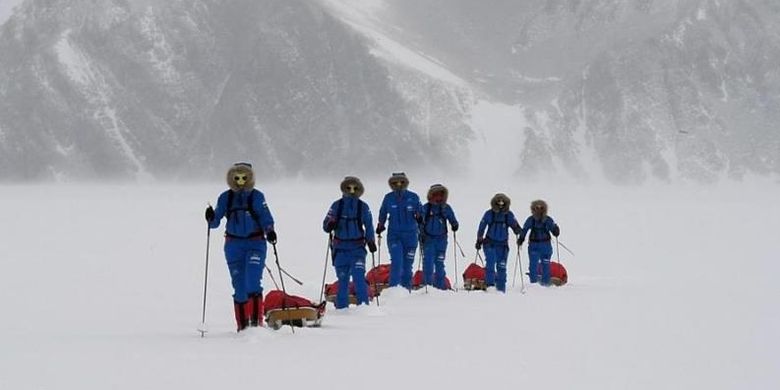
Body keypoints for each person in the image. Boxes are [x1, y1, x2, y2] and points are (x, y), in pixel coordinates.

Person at [205, 162, 277, 332]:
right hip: (233, 246)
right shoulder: (225, 198)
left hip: (255, 244)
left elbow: (266, 218)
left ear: (250, 178)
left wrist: (270, 232)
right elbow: (215, 223)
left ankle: (256, 324)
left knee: (252, 281)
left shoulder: (257, 197)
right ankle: (243, 327)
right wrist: (210, 217)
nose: (240, 181)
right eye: (236, 178)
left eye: (244, 178)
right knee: (239, 286)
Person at [323, 176, 377, 309]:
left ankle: (364, 308)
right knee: (343, 281)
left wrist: (371, 241)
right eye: (348, 187)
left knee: (359, 277)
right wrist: (330, 225)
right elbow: (325, 225)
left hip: (357, 249)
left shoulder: (363, 207)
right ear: (344, 188)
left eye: (355, 188)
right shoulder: (336, 206)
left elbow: (369, 226)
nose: (352, 190)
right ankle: (342, 310)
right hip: (340, 249)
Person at [376, 172, 423, 289]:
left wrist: (420, 217)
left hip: (411, 236)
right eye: (395, 182)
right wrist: (380, 225)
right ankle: (394, 290)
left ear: (405, 183)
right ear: (391, 184)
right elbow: (383, 213)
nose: (398, 184)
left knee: (407, 266)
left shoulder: (413, 197)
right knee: (397, 263)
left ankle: (406, 291)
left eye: (401, 182)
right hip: (394, 236)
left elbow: (421, 213)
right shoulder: (388, 198)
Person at [475, 193, 521, 292]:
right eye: (498, 202)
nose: (500, 204)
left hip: (503, 246)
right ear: (495, 203)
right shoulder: (489, 214)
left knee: (502, 267)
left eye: (502, 202)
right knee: (490, 263)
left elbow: (515, 225)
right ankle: (490, 287)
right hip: (489, 243)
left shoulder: (508, 214)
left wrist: (518, 230)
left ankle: (501, 290)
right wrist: (479, 239)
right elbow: (482, 226)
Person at [419, 184, 459, 290]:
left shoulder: (446, 208)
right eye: (436, 194)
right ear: (431, 195)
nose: (438, 197)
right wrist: (421, 235)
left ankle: (440, 287)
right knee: (428, 263)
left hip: (441, 239)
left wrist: (454, 224)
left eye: (441, 195)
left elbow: (452, 219)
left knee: (440, 263)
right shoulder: (425, 208)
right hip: (428, 239)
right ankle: (428, 286)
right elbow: (420, 223)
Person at [517, 200, 560, 286]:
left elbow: (553, 229)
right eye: (537, 208)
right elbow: (525, 229)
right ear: (533, 209)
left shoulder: (548, 219)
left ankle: (545, 283)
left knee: (546, 264)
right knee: (533, 265)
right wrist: (521, 238)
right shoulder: (531, 220)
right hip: (534, 245)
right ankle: (533, 283)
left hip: (546, 245)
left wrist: (556, 230)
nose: (539, 209)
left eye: (541, 208)